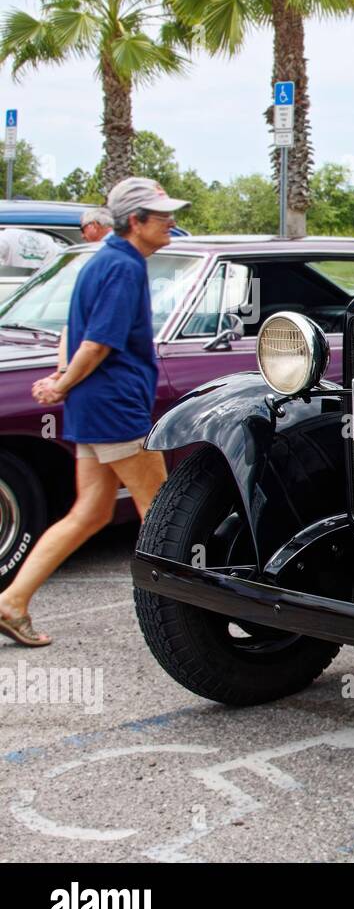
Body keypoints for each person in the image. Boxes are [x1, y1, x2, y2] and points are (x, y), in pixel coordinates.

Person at [0, 177, 189, 648]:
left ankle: (11, 602)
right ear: (136, 222)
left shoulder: (98, 259)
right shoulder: (123, 267)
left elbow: (72, 331)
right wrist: (62, 381)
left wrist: (64, 381)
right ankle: (190, 626)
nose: (171, 223)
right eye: (161, 216)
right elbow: (99, 341)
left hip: (93, 406)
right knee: (163, 513)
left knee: (90, 512)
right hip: (117, 407)